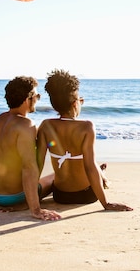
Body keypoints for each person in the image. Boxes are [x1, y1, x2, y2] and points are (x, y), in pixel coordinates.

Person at [37, 69, 132, 212]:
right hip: (87, 195)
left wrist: (29, 203)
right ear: (76, 103)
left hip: (60, 195)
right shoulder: (86, 127)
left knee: (52, 177)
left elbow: (37, 164)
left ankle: (102, 174)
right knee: (92, 163)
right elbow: (89, 167)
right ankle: (102, 175)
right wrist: (106, 204)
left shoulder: (46, 126)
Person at [0, 76, 61, 221]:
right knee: (57, 176)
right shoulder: (26, 125)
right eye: (37, 95)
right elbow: (28, 167)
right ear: (27, 99)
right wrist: (36, 209)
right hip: (12, 197)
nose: (38, 98)